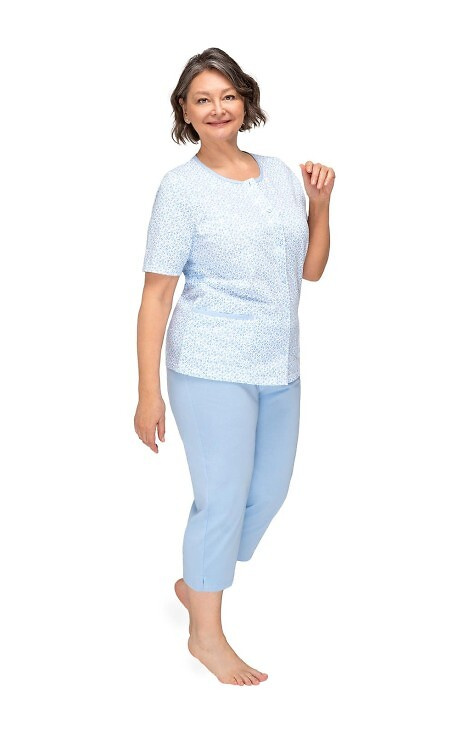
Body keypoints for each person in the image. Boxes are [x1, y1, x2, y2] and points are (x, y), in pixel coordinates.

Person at [134, 47, 334, 686]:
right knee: (220, 501)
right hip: (208, 363)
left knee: (267, 493)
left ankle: (198, 580)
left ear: (245, 100)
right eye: (203, 99)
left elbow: (310, 270)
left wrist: (320, 205)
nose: (217, 108)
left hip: (279, 362)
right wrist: (147, 394)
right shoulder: (181, 189)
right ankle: (206, 634)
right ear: (185, 112)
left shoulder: (279, 174)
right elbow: (156, 296)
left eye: (227, 95)